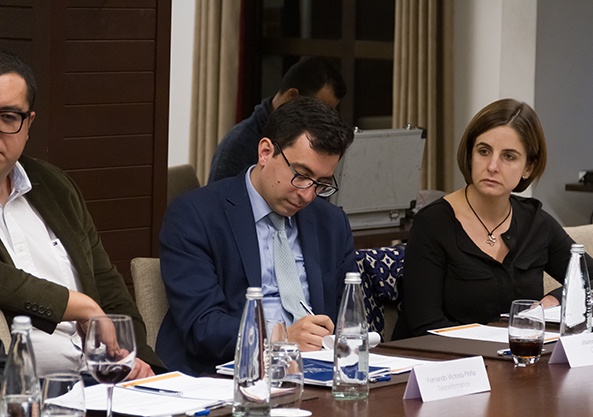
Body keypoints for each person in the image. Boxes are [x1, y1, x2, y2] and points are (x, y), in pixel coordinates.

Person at [393, 98, 593, 339]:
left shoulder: (535, 223)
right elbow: (426, 326)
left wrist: (554, 300)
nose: (492, 166)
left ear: (528, 168)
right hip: (444, 358)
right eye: (484, 151)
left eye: (509, 156)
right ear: (470, 156)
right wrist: (495, 345)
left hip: (517, 355)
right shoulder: (432, 223)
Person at [158, 96, 356, 376]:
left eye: (321, 184)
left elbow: (348, 313)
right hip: (230, 373)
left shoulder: (331, 223)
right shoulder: (196, 215)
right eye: (301, 175)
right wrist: (280, 338)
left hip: (318, 371)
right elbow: (202, 325)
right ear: (265, 152)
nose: (308, 195)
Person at [0, 50, 161, 378]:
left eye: (8, 117)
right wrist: (81, 306)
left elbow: (107, 285)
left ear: (29, 124)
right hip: (25, 389)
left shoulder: (54, 185)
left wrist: (130, 358)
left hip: (101, 380)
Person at [208, 56, 347, 183]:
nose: (322, 121)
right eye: (317, 111)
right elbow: (220, 201)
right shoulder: (238, 146)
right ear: (292, 96)